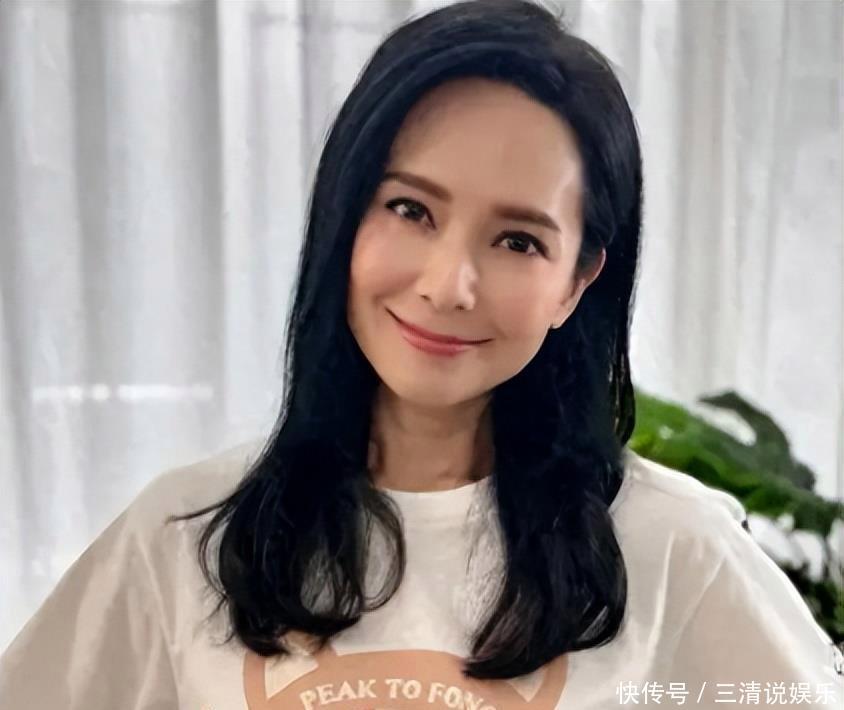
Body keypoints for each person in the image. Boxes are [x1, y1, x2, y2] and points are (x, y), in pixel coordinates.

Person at [1, 0, 842, 708]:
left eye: (518, 240)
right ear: (345, 213)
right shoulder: (186, 538)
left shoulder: (671, 548)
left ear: (578, 280)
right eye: (411, 210)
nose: (448, 285)